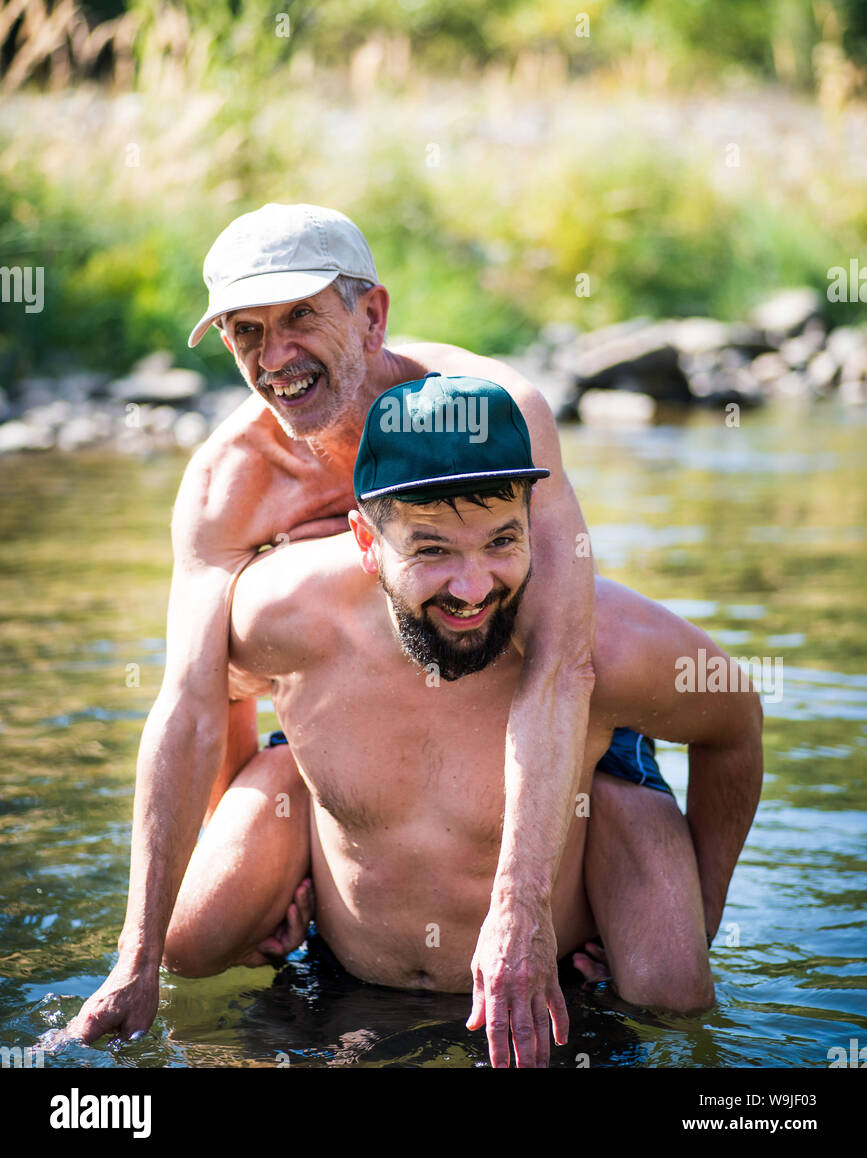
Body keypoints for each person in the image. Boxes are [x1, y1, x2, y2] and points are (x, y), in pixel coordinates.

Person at [66, 203, 670, 1062]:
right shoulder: (226, 483)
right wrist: (139, 960)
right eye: (246, 333)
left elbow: (561, 665)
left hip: (529, 697)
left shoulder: (491, 415)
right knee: (191, 946)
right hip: (346, 720)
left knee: (670, 991)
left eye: (299, 318)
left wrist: (523, 905)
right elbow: (193, 703)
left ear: (372, 313)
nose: (275, 359)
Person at [162, 375, 763, 1069]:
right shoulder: (285, 613)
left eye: (499, 542)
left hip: (565, 966)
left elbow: (735, 728)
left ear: (534, 523)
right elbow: (217, 696)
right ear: (365, 540)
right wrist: (261, 866)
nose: (472, 588)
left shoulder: (615, 645)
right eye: (432, 550)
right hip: (353, 974)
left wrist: (706, 910)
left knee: (674, 994)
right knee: (193, 943)